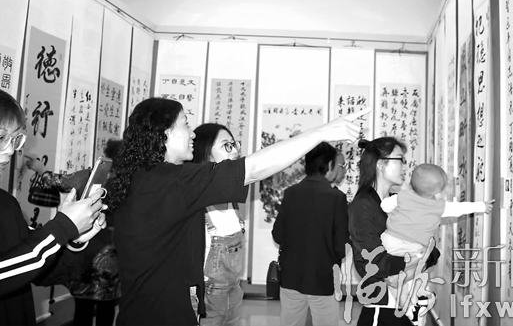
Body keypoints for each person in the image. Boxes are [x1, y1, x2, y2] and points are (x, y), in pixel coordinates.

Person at [106, 98, 367, 325]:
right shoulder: (172, 181)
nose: (192, 134)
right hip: (162, 314)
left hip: (150, 309)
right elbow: (253, 169)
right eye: (185, 124)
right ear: (164, 132)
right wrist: (322, 132)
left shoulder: (141, 178)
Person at [0, 89, 106, 325]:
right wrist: (63, 227)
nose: (10, 150)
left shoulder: (6, 204)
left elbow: (35, 265)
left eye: (15, 139)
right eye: (1, 137)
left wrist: (75, 236)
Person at [27, 139, 124, 326]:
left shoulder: (88, 176)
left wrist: (40, 168)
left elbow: (57, 181)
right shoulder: (128, 183)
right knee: (107, 307)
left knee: (83, 307)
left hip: (86, 250)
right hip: (113, 255)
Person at [348, 137, 439, 326]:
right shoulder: (363, 205)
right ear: (381, 164)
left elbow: (431, 249)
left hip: (407, 301)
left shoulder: (398, 202)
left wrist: (415, 261)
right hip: (382, 307)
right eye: (400, 160)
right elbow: (374, 262)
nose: (405, 167)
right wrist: (416, 259)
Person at [380, 163, 494, 314]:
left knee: (394, 276)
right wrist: (482, 206)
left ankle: (404, 301)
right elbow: (459, 209)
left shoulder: (403, 196)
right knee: (414, 275)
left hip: (389, 240)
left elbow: (384, 205)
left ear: (411, 184)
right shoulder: (439, 206)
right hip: (414, 247)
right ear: (438, 194)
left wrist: (394, 212)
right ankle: (409, 306)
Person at [272, 142, 349, 326]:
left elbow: (278, 235)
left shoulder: (291, 193)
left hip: (291, 278)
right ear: (329, 165)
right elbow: (341, 247)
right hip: (323, 279)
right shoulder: (336, 198)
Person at [190, 123, 246, 326]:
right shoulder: (194, 201)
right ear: (206, 154)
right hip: (207, 297)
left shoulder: (233, 199)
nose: (235, 150)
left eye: (235, 144)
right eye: (226, 145)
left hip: (235, 292)